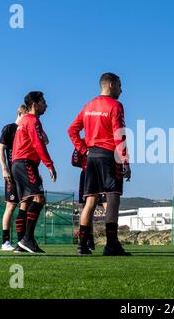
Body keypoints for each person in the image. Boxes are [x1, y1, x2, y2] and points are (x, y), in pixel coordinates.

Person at [68, 72, 131, 256]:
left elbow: (71, 130)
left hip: (91, 157)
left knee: (90, 200)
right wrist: (125, 160)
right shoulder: (115, 105)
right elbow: (119, 135)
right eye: (120, 85)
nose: (122, 89)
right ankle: (111, 245)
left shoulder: (89, 105)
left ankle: (82, 246)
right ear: (111, 85)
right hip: (108, 156)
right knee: (113, 198)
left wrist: (84, 150)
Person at [11, 91, 57, 253]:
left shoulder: (23, 121)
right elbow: (39, 144)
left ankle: (21, 244)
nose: (46, 105)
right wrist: (50, 165)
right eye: (43, 102)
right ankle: (27, 239)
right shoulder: (32, 120)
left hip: (18, 164)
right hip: (25, 163)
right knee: (39, 198)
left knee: (25, 203)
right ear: (35, 104)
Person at [0, 105, 28, 251]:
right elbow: (0, 149)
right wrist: (4, 169)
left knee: (25, 205)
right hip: (12, 173)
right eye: (26, 114)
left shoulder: (28, 127)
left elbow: (45, 140)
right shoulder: (9, 128)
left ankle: (23, 241)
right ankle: (5, 242)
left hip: (24, 173)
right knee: (10, 206)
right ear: (20, 112)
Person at [71, 146, 96, 250]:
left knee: (88, 207)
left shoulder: (81, 141)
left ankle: (87, 241)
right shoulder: (82, 141)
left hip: (89, 173)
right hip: (92, 173)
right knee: (89, 207)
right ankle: (88, 240)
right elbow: (74, 161)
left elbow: (74, 161)